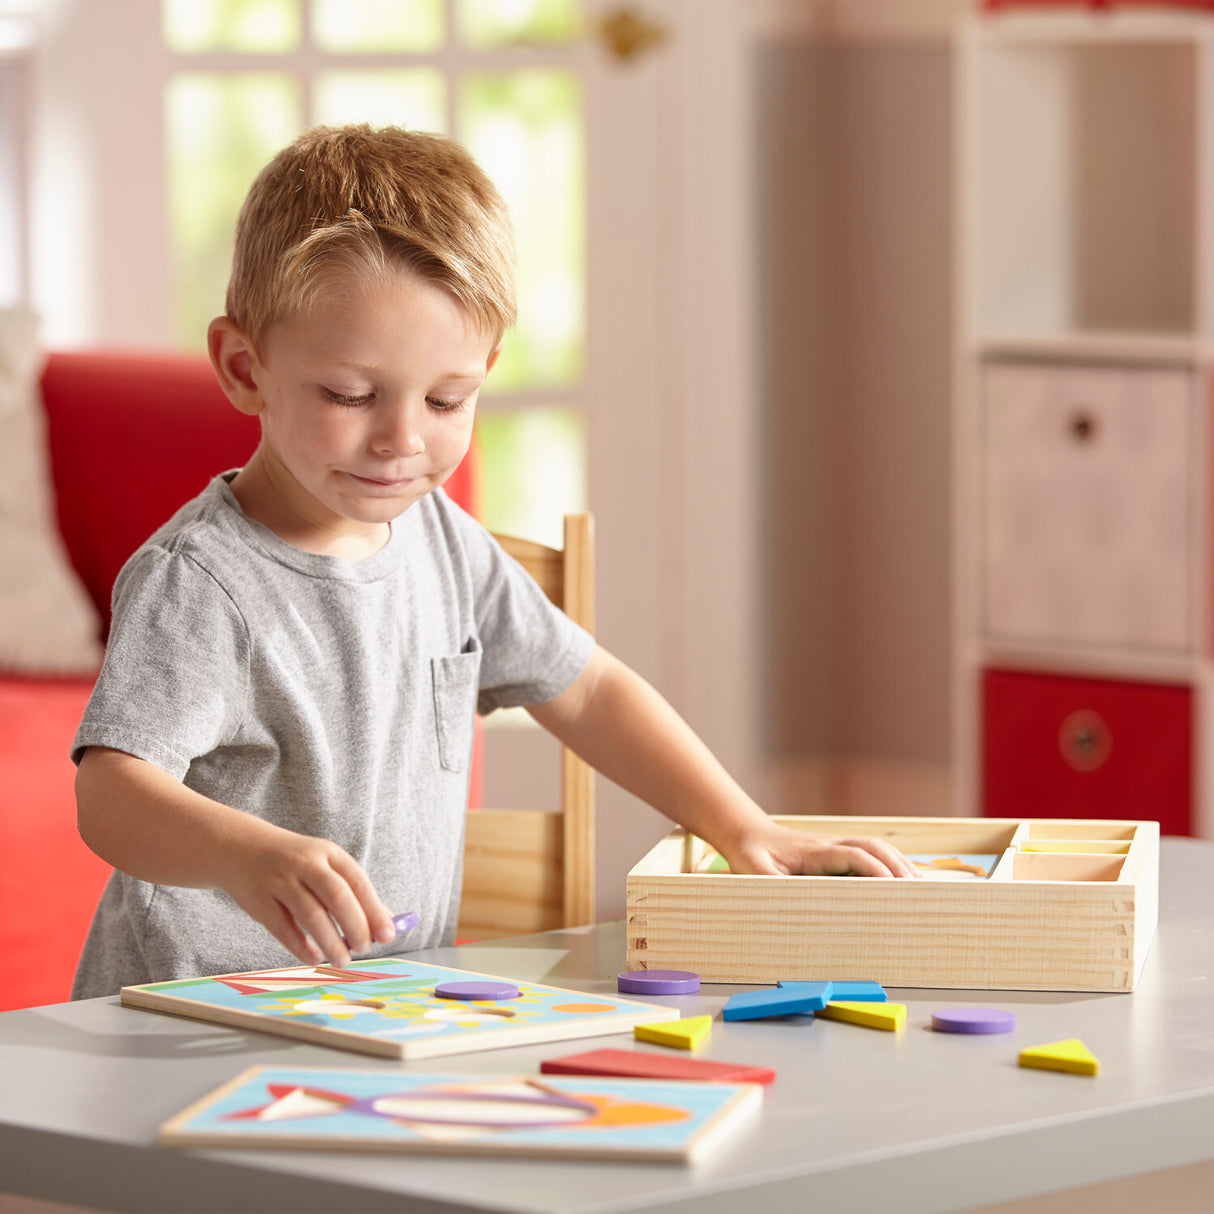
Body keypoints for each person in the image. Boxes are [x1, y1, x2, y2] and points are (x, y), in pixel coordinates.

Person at [71, 125, 917, 999]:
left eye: (447, 399)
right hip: (187, 1016)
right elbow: (110, 792)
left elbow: (586, 689)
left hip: (374, 1008)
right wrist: (245, 853)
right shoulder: (201, 582)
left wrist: (743, 828)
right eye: (350, 395)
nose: (402, 438)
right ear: (245, 367)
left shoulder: (442, 537)